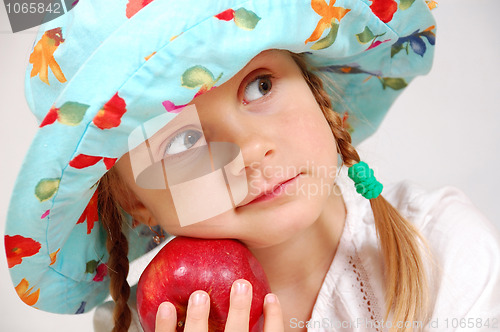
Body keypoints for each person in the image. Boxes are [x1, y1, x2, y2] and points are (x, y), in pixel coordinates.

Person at [4, 0, 500, 331]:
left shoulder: (446, 251)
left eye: (260, 85)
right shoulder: (154, 323)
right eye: (183, 142)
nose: (248, 152)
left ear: (314, 90)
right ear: (137, 201)